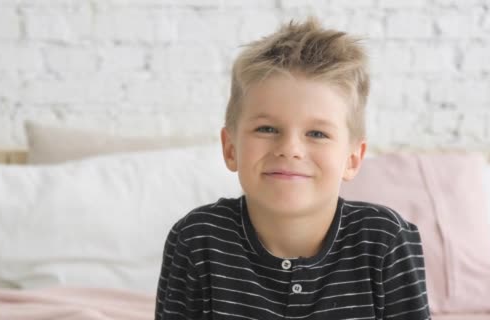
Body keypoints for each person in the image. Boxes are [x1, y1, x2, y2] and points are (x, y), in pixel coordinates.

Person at [155, 16, 430, 320]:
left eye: (317, 134)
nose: (290, 149)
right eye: (267, 129)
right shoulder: (197, 239)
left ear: (352, 159)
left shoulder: (386, 241)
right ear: (231, 148)